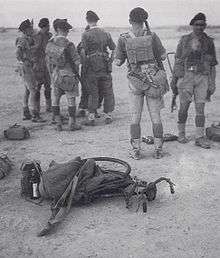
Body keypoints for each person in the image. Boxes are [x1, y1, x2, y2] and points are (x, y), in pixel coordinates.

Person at [115, 7, 169, 159]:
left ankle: (136, 150)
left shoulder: (123, 38)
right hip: (153, 80)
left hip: (134, 81)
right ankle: (158, 149)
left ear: (130, 20)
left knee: (135, 116)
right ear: (144, 20)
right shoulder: (152, 35)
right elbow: (163, 56)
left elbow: (118, 62)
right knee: (155, 116)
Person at [172, 13, 218, 149]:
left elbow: (213, 65)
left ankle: (199, 137)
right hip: (186, 76)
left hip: (202, 77)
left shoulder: (209, 41)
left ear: (205, 26)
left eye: (202, 24)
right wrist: (174, 80)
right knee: (184, 107)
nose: (199, 27)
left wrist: (212, 82)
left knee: (200, 109)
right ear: (192, 25)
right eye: (196, 24)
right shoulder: (184, 40)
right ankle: (181, 133)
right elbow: (178, 62)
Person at [45, 19, 81, 131]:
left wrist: (52, 75)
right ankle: (71, 123)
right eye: (66, 30)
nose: (68, 32)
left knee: (56, 99)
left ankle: (58, 124)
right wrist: (76, 73)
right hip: (68, 75)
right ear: (61, 30)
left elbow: (48, 62)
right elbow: (77, 61)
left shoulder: (50, 44)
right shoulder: (69, 44)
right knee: (71, 100)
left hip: (56, 75)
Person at [81, 10, 116, 125]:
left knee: (93, 91)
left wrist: (84, 66)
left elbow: (83, 52)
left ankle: (91, 117)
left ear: (87, 20)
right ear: (97, 20)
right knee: (107, 90)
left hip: (91, 66)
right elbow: (114, 49)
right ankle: (108, 115)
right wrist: (110, 60)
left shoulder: (85, 34)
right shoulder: (105, 33)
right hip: (105, 65)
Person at [15, 19, 45, 122]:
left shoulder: (26, 38)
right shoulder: (23, 39)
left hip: (26, 66)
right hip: (26, 66)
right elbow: (18, 53)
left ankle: (26, 112)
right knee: (33, 90)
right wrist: (23, 61)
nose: (32, 29)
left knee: (28, 89)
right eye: (30, 28)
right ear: (26, 29)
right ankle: (34, 115)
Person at [32, 18, 53, 113]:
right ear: (44, 26)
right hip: (38, 65)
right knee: (37, 87)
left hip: (47, 64)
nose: (49, 28)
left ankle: (49, 107)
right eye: (48, 26)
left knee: (48, 86)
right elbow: (32, 51)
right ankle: (36, 109)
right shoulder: (35, 36)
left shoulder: (49, 36)